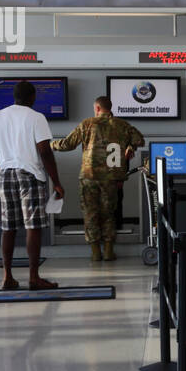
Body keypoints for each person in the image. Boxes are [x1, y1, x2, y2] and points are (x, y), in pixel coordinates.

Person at [0, 80, 64, 290]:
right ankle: (33, 277)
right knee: (33, 226)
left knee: (8, 227)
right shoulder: (36, 117)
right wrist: (56, 182)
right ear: (33, 98)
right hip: (30, 175)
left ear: (14, 96)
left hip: (6, 175)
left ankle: (7, 277)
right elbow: (45, 151)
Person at [51, 96, 145, 261]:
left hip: (89, 177)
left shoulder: (87, 124)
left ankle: (95, 253)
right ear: (110, 108)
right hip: (111, 179)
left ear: (97, 108)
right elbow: (140, 140)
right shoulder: (122, 125)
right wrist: (130, 147)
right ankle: (109, 252)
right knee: (109, 214)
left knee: (90, 214)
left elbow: (67, 144)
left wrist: (50, 145)